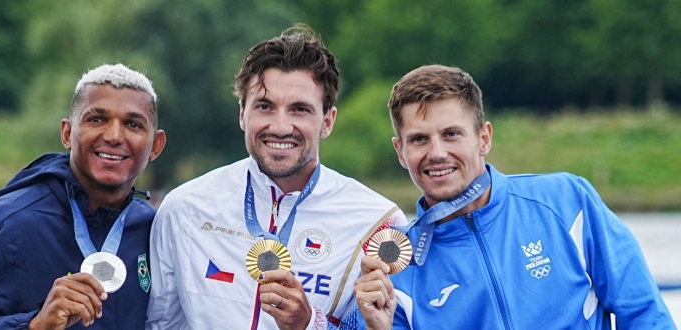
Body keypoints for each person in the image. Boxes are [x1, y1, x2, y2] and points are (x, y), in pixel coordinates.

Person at [353, 64, 675, 329]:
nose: (437, 153)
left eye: (451, 134)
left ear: (484, 138)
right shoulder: (394, 271)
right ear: (400, 151)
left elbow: (647, 316)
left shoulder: (566, 202)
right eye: (420, 139)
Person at [146, 24, 408, 330]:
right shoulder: (183, 208)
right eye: (265, 107)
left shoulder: (379, 224)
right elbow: (159, 325)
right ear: (242, 113)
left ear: (327, 121)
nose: (281, 126)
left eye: (299, 109)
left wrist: (308, 325)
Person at [0, 64, 167, 330]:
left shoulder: (156, 229)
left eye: (133, 124)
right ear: (67, 133)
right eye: (97, 119)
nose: (114, 136)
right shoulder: (6, 223)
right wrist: (33, 325)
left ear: (155, 145)